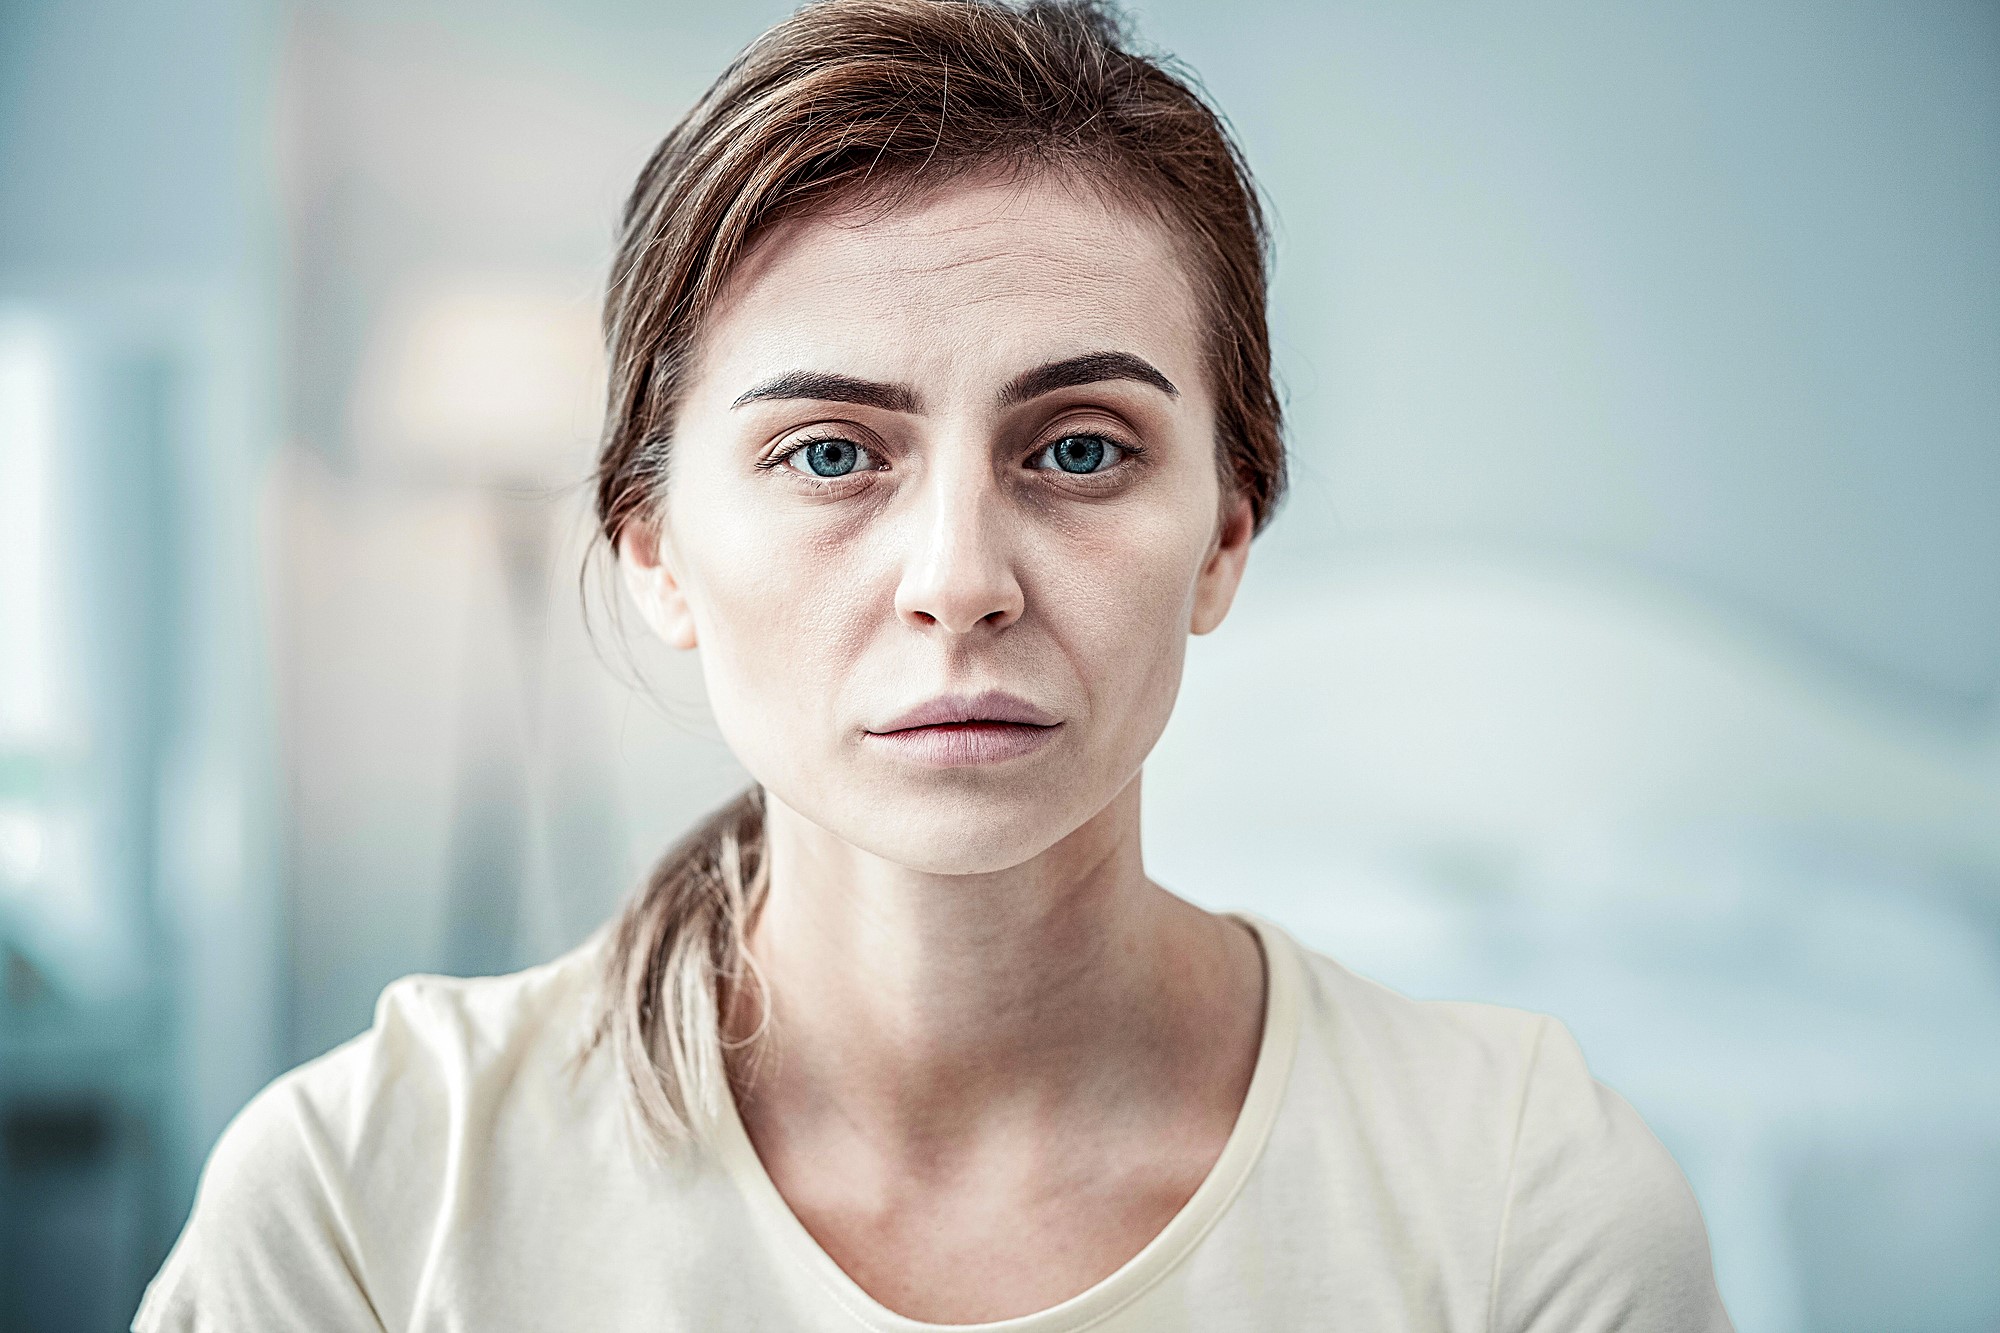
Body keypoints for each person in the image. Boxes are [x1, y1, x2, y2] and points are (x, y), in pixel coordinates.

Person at [135, 1, 1733, 1328]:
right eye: (831, 452)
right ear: (655, 550)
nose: (959, 580)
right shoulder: (360, 1200)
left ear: (1226, 538)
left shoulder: (1526, 1195)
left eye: (1085, 448)